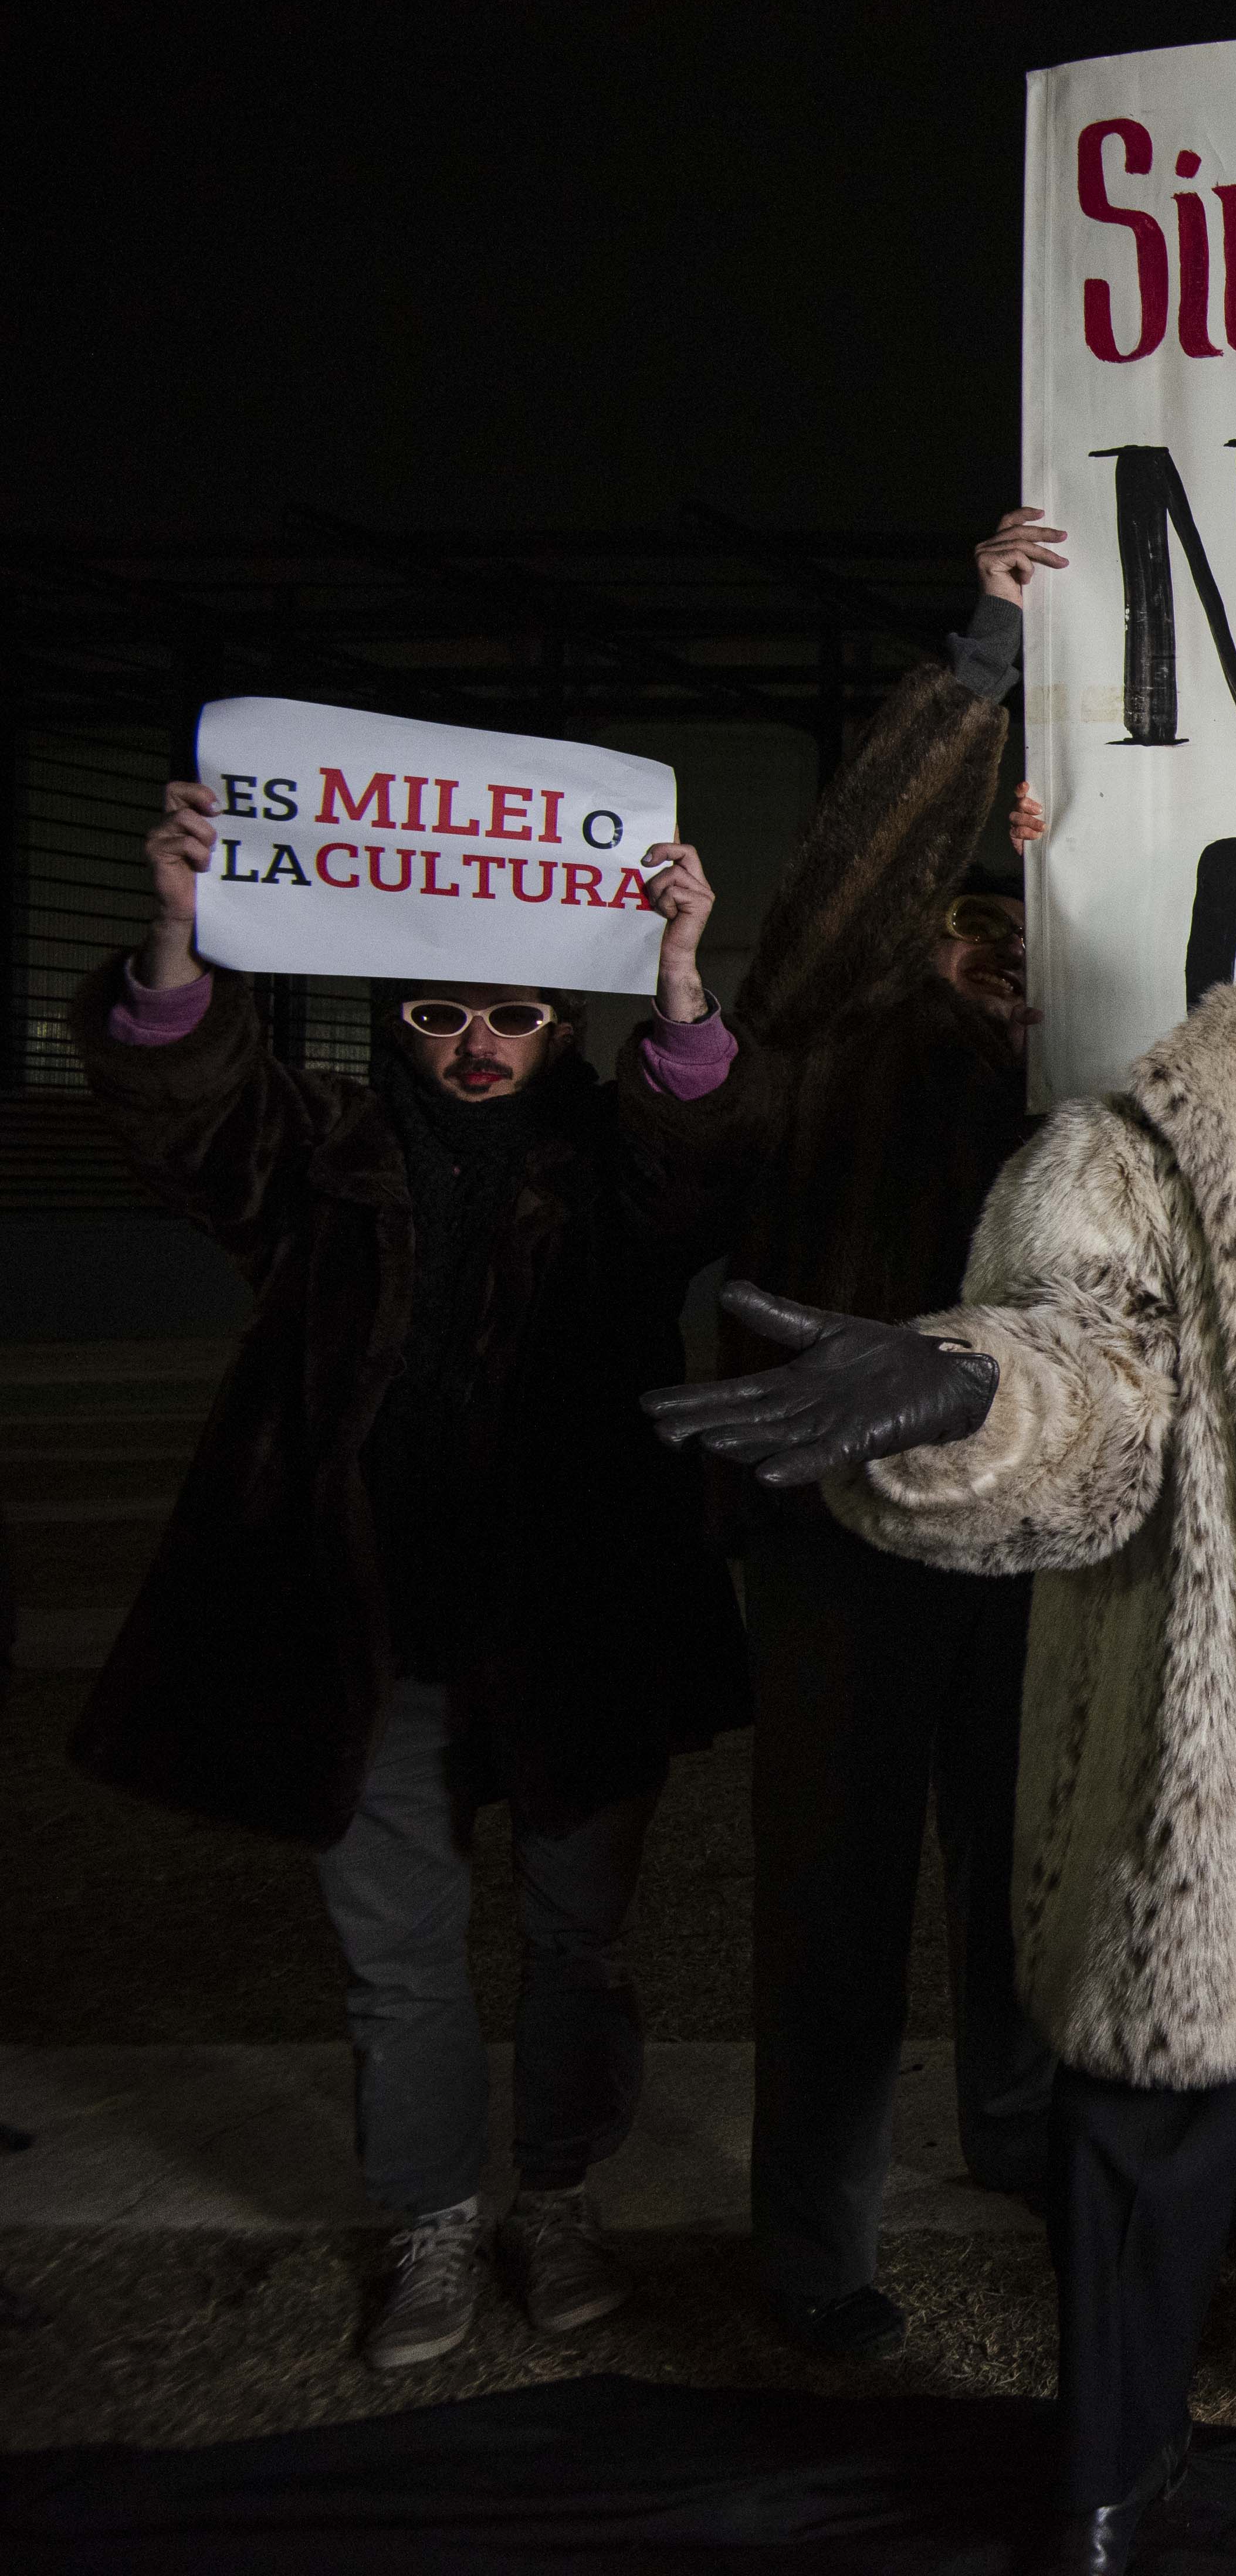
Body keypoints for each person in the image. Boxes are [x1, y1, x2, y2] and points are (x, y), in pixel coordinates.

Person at [651, 830, 1236, 2574]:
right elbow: (1081, 1368)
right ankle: (1110, 2467)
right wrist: (964, 1391)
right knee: (1155, 2103)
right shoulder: (1138, 1152)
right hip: (1206, 1716)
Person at [76, 784, 744, 2370]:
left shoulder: (610, 1162)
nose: (474, 1042)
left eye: (512, 1013)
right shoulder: (322, 1151)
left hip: (573, 1617)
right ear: (399, 1017)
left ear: (559, 1027)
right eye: (441, 1012)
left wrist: (679, 983)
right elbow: (195, 1122)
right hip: (368, 1622)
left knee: (580, 1937)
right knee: (398, 1955)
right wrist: (175, 936)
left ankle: (557, 2194)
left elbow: (701, 1181)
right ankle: (433, 2215)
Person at [635, 504, 1059, 2361]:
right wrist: (979, 666)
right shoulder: (852, 1025)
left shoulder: (1101, 1055)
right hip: (838, 1528)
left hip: (1036, 1522)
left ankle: (1026, 2149)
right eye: (973, 924)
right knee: (832, 1891)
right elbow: (832, 923)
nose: (1000, 951)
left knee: (1023, 1857)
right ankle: (813, 2251)